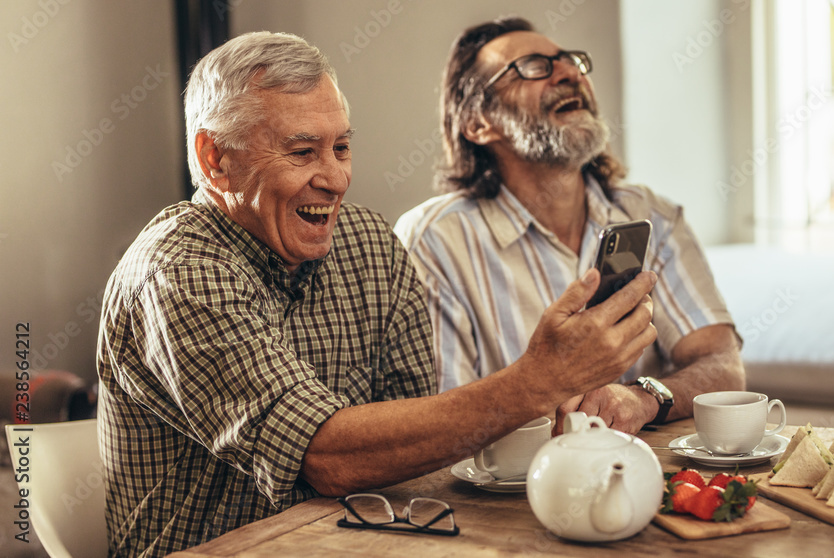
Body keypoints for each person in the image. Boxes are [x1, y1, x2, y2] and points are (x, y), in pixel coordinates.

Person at [97, 31, 656, 557]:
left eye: (340, 147)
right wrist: (539, 381)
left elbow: (418, 450)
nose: (336, 179)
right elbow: (325, 458)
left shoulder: (367, 242)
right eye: (301, 153)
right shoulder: (176, 273)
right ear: (216, 159)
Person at [394, 17, 745, 436]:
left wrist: (642, 397)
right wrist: (546, 378)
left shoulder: (653, 215)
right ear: (479, 123)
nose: (570, 72)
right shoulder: (434, 239)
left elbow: (723, 366)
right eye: (533, 66)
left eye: (571, 60)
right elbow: (438, 422)